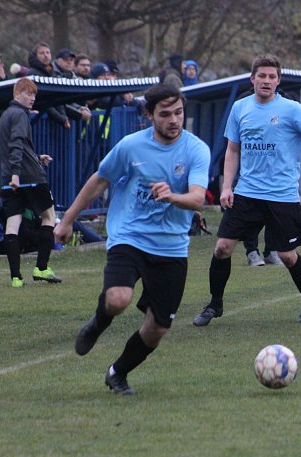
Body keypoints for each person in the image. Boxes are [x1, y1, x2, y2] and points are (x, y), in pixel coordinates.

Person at [54, 84, 210, 395]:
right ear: (149, 115)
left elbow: (196, 199)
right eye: (165, 114)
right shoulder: (130, 146)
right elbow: (99, 181)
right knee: (118, 299)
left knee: (157, 328)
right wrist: (68, 220)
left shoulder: (196, 150)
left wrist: (172, 196)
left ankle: (117, 372)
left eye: (178, 113)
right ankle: (98, 323)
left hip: (172, 247)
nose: (174, 120)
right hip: (130, 237)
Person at [193, 53, 301, 327]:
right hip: (247, 193)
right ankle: (214, 305)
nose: (266, 81)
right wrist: (227, 186)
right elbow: (232, 150)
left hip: (282, 196)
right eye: (261, 76)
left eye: (271, 76)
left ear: (278, 81)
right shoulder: (240, 108)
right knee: (222, 248)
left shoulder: (292, 109)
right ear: (252, 79)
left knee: (287, 256)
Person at [0, 78, 61, 287]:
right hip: (29, 178)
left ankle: (16, 277)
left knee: (12, 223)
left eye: (34, 94)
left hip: (8, 178)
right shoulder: (20, 115)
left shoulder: (6, 115)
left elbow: (16, 148)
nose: (32, 98)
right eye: (28, 93)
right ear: (17, 94)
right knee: (49, 216)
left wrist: (36, 156)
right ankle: (41, 268)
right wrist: (18, 173)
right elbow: (16, 145)